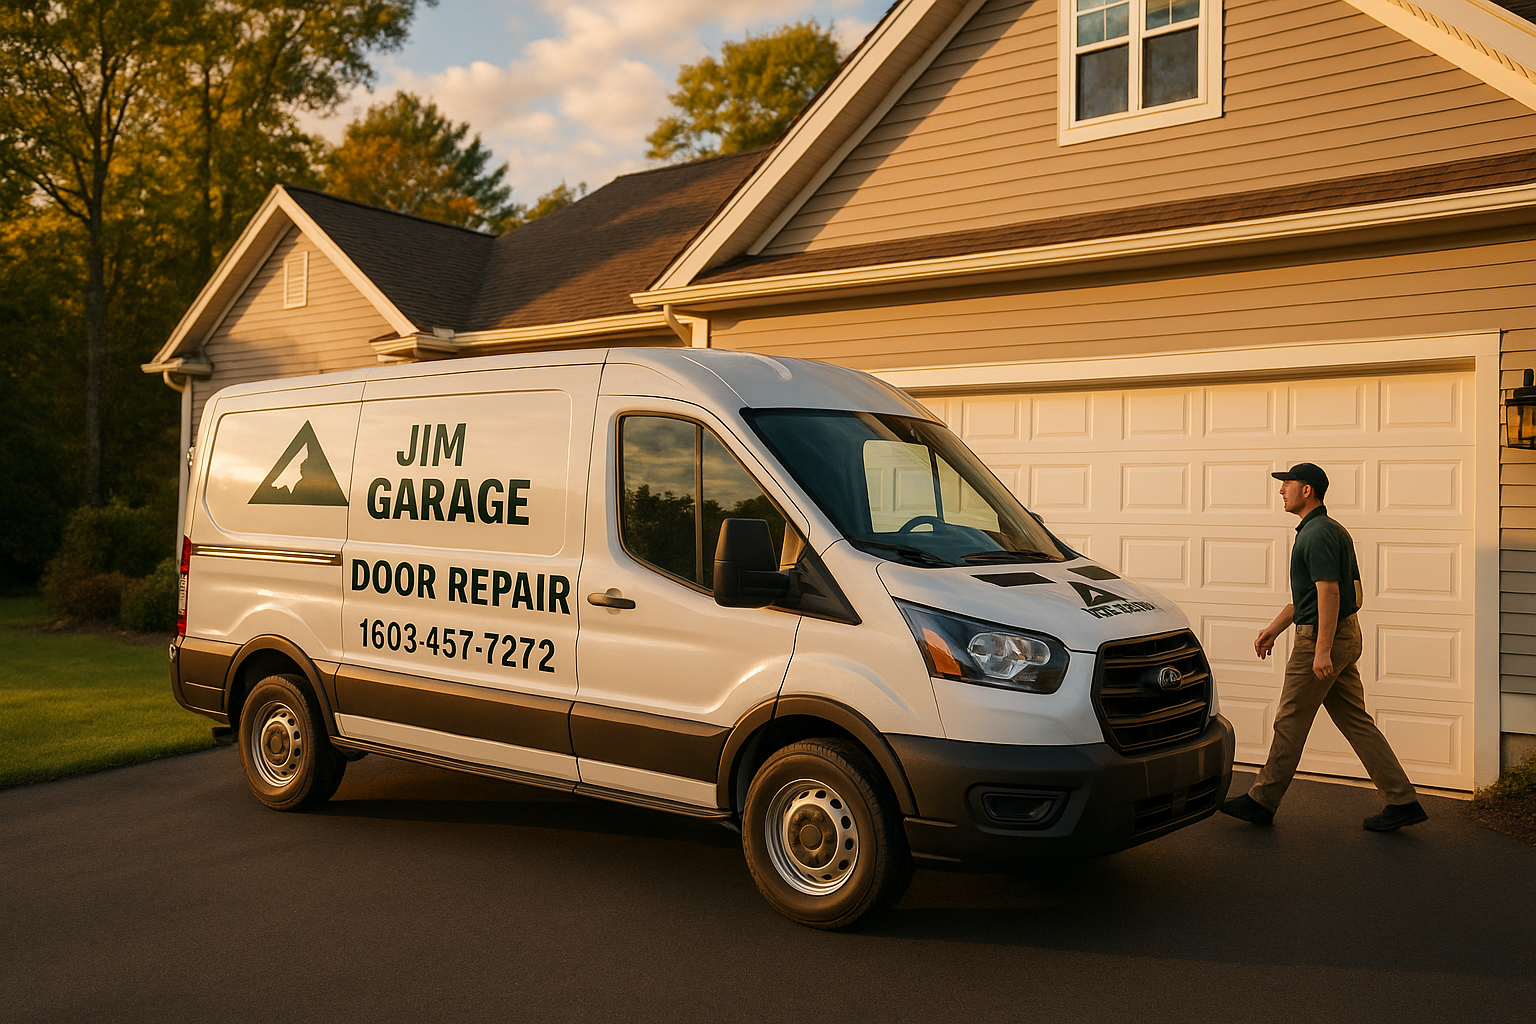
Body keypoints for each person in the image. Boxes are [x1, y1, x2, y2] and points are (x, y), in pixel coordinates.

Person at [1220, 463, 1428, 832]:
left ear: (1307, 490)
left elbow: (1328, 592)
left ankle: (1261, 801)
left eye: (1288, 484)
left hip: (1323, 638)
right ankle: (1402, 800)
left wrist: (1321, 650)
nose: (1281, 491)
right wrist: (1275, 628)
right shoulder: (1327, 530)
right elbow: (1308, 597)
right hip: (1342, 634)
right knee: (1355, 720)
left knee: (1289, 719)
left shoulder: (1315, 535)